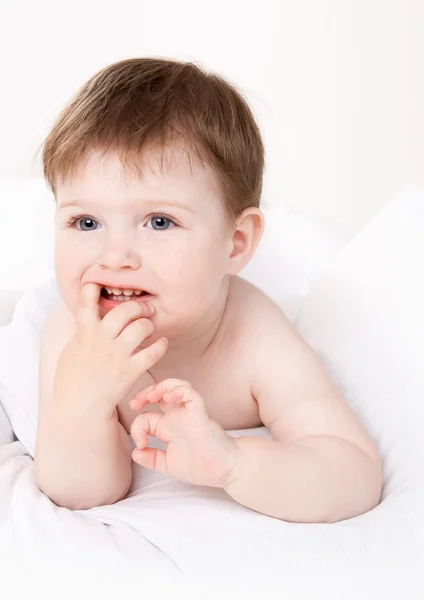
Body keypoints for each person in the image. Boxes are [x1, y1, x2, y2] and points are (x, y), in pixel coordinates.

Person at [34, 57, 382, 521]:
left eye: (159, 221)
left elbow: (352, 472)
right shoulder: (74, 338)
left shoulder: (254, 337)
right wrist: (81, 404)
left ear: (235, 244)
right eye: (86, 221)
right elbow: (81, 493)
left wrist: (235, 465)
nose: (114, 256)